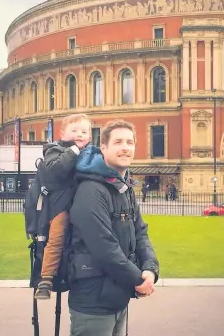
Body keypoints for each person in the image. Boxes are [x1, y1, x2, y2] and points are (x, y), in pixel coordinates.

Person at [67, 119, 160, 336]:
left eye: (129, 142)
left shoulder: (124, 187)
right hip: (93, 303)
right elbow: (103, 248)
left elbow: (140, 233)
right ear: (103, 148)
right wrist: (138, 280)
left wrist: (150, 268)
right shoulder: (91, 189)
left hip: (117, 297)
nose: (125, 147)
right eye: (118, 142)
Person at [34, 113, 92, 300]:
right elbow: (55, 171)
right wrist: (74, 150)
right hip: (61, 206)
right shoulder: (54, 150)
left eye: (84, 131)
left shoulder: (91, 152)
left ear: (90, 136)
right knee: (57, 238)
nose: (79, 134)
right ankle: (46, 279)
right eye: (74, 130)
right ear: (62, 134)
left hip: (85, 204)